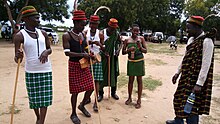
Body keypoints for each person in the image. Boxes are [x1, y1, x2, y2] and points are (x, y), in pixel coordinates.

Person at [166, 16, 215, 124]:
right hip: (186, 76)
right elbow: (185, 58)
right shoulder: (191, 40)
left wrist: (199, 84)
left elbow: (206, 65)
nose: (186, 30)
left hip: (196, 79)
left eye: (188, 28)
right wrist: (177, 73)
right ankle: (178, 120)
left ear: (197, 27)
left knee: (192, 105)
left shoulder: (207, 42)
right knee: (178, 97)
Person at [14, 6, 53, 124]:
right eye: (36, 18)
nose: (39, 20)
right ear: (26, 19)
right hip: (31, 72)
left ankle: (41, 121)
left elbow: (49, 49)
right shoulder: (19, 36)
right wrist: (18, 56)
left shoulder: (44, 33)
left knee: (45, 100)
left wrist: (46, 52)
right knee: (34, 100)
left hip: (46, 70)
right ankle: (38, 117)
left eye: (39, 17)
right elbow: (17, 59)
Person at [62, 10, 94, 124]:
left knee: (91, 87)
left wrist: (90, 54)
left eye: (84, 24)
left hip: (84, 64)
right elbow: (67, 53)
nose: (83, 26)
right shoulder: (67, 35)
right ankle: (73, 113)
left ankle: (82, 105)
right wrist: (82, 54)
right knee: (75, 92)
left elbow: (86, 48)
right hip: (74, 65)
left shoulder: (82, 34)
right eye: (82, 24)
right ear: (75, 22)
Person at [122, 24, 147, 109]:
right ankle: (129, 98)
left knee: (139, 81)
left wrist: (140, 47)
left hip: (139, 62)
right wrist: (128, 50)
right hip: (131, 62)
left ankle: (139, 100)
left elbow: (145, 51)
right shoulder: (127, 40)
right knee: (130, 80)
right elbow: (123, 52)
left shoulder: (141, 39)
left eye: (137, 31)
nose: (136, 32)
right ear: (131, 30)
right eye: (134, 30)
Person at [98, 18, 122, 102]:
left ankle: (113, 92)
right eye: (112, 28)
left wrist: (118, 50)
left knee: (113, 74)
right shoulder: (102, 33)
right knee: (102, 75)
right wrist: (104, 52)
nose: (113, 30)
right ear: (108, 26)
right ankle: (100, 93)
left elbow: (120, 42)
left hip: (113, 57)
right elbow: (99, 46)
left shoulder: (116, 33)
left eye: (114, 28)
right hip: (104, 57)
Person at [83, 15, 104, 111]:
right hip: (87, 58)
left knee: (96, 81)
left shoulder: (100, 34)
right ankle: (87, 98)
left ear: (97, 24)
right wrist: (87, 45)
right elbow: (81, 45)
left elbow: (103, 48)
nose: (93, 25)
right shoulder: (85, 33)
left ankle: (95, 102)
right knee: (87, 80)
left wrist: (98, 44)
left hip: (97, 58)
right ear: (89, 23)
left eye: (95, 24)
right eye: (92, 23)